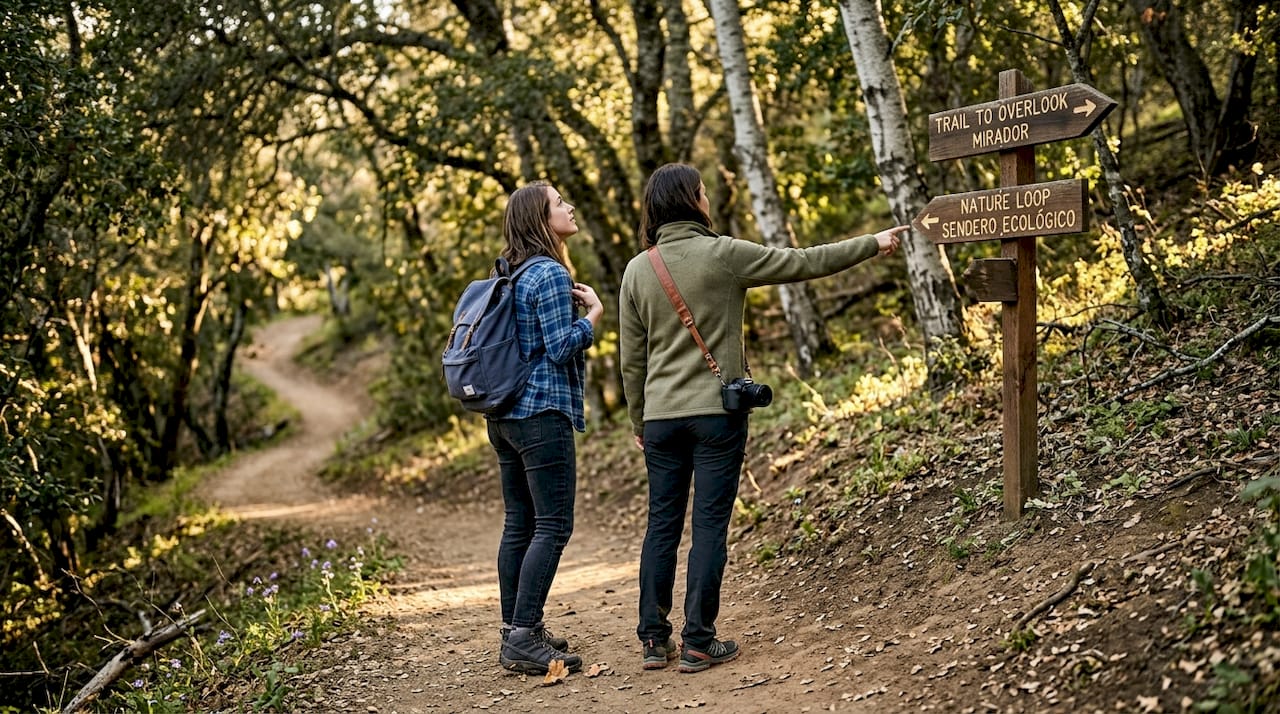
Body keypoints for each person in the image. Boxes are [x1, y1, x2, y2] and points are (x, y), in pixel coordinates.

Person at [618, 163, 906, 673]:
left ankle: (651, 639)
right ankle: (699, 640)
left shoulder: (638, 269)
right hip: (715, 417)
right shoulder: (724, 254)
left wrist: (640, 422)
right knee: (708, 526)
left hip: (661, 419)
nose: (708, 200)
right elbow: (802, 262)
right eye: (703, 192)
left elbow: (631, 360)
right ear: (691, 201)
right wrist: (874, 242)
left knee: (661, 525)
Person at [488, 181, 604, 675]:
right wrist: (594, 315)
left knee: (520, 522)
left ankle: (518, 629)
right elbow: (560, 348)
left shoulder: (508, 273)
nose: (570, 206)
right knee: (554, 525)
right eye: (560, 203)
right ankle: (523, 635)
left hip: (504, 416)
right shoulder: (550, 274)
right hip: (541, 415)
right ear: (541, 218)